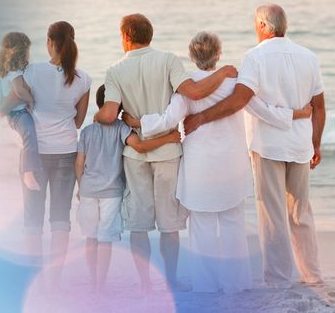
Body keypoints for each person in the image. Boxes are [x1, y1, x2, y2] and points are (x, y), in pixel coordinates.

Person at [126, 31, 312, 293]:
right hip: (231, 166)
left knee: (201, 227)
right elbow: (261, 110)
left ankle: (205, 285)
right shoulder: (234, 83)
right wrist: (297, 114)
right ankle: (234, 284)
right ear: (218, 55)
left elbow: (167, 120)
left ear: (191, 56)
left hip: (200, 167)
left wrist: (138, 122)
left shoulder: (187, 88)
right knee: (232, 224)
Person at [182, 4, 326, 288]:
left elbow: (241, 99)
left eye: (254, 24)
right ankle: (312, 276)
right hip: (299, 146)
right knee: (301, 213)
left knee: (272, 215)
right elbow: (319, 107)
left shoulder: (255, 57)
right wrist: (316, 144)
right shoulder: (309, 57)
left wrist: (201, 117)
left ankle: (279, 278)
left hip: (268, 146)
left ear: (262, 25)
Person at [94, 13, 238, 292]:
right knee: (168, 223)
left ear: (125, 36)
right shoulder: (169, 60)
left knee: (138, 223)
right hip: (169, 152)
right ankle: (171, 280)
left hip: (135, 155)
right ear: (150, 34)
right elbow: (193, 93)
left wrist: (96, 118)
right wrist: (221, 73)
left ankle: (147, 283)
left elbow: (110, 113)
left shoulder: (114, 71)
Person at [75, 85, 181, 293]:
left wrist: (80, 185)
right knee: (105, 240)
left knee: (91, 237)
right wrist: (169, 138)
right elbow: (140, 146)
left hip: (88, 191)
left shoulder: (87, 131)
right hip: (111, 193)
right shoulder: (121, 129)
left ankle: (94, 282)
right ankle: (101, 283)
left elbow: (79, 163)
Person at [11, 21, 90, 290]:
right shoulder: (83, 79)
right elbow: (79, 121)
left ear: (49, 42)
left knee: (32, 218)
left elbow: (15, 103)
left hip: (35, 154)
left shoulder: (30, 72)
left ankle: (36, 278)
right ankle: (54, 280)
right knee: (60, 218)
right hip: (66, 152)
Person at [0, 32, 43, 192]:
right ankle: (28, 173)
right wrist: (30, 99)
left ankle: (27, 172)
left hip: (14, 114)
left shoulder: (8, 70)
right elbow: (18, 90)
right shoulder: (15, 71)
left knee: (27, 141)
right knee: (30, 137)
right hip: (18, 114)